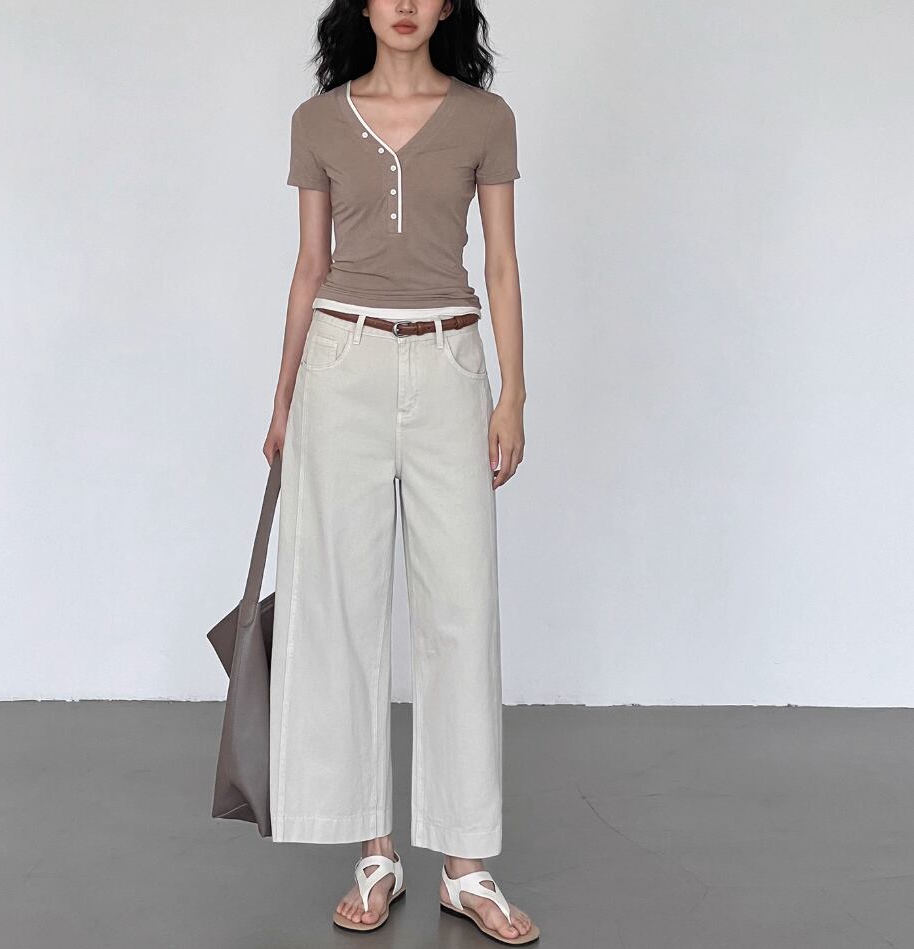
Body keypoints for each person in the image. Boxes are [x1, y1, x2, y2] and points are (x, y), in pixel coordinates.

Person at [262, 1, 536, 943]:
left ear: (448, 5)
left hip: (450, 361)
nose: (407, 5)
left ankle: (465, 863)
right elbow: (310, 266)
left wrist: (512, 393)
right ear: (364, 6)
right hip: (341, 361)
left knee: (460, 608)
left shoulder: (485, 118)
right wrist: (283, 398)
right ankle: (374, 852)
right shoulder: (317, 120)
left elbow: (501, 263)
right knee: (342, 607)